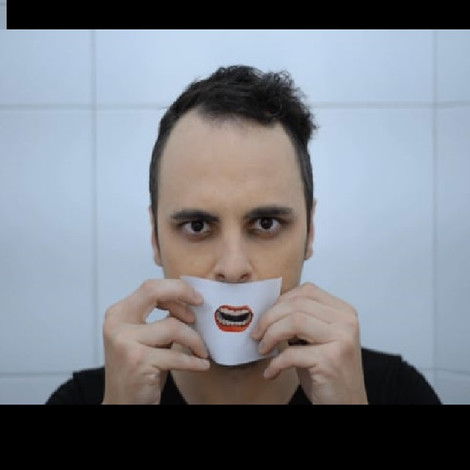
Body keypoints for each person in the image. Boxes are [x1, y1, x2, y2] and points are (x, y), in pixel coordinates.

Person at [46, 65, 441, 405]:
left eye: (266, 224)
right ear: (155, 237)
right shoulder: (85, 398)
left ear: (310, 232)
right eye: (197, 226)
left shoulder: (395, 391)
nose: (233, 269)